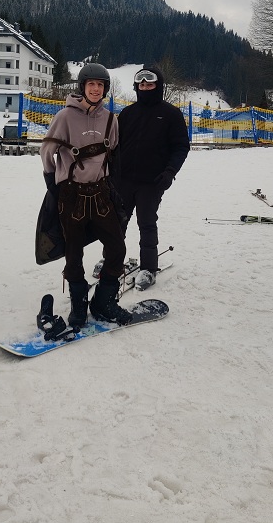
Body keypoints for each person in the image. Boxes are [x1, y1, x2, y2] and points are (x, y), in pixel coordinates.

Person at [40, 63, 132, 329]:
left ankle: (103, 302)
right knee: (73, 254)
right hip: (72, 196)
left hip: (101, 195)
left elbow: (112, 153)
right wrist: (53, 183)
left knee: (117, 248)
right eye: (91, 84)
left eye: (100, 85)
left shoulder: (111, 120)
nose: (95, 89)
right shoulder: (64, 117)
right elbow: (47, 152)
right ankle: (78, 307)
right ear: (83, 87)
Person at [116, 66, 190, 289]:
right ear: (137, 87)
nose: (146, 88)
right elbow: (115, 146)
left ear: (158, 86)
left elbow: (181, 147)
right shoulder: (127, 114)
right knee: (117, 222)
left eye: (150, 84)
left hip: (152, 181)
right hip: (124, 179)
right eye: (142, 85)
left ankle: (148, 268)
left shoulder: (170, 114)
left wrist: (169, 172)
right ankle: (112, 260)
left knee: (146, 223)